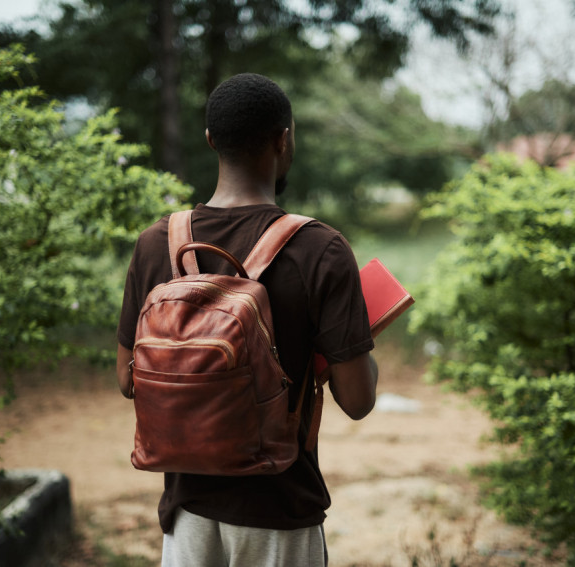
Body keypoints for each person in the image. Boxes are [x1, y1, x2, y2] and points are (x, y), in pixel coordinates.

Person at [115, 72, 378, 567]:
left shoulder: (156, 243)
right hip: (280, 513)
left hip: (187, 515)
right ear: (284, 140)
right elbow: (358, 400)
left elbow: (127, 380)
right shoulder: (320, 248)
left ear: (211, 140)